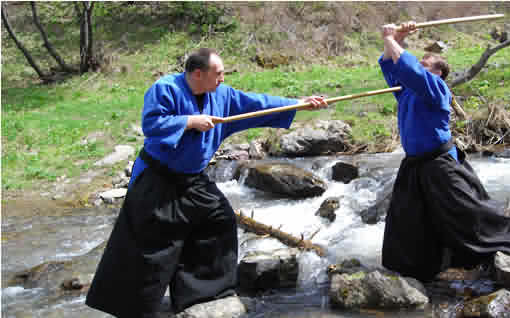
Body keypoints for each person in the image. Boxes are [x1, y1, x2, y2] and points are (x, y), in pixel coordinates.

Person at [85, 48, 328, 318]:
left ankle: (203, 295)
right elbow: (152, 125)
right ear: (198, 73)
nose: (223, 78)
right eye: (219, 73)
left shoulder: (222, 95)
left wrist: (298, 103)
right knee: (149, 245)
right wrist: (188, 121)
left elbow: (257, 104)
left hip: (194, 179)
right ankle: (131, 308)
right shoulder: (165, 88)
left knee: (218, 221)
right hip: (157, 179)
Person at [378, 22, 510, 283]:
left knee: (467, 210)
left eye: (426, 63)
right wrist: (397, 40)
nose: (420, 64)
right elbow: (392, 64)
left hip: (439, 163)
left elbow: (411, 69)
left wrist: (391, 38)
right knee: (409, 219)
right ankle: (421, 269)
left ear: (438, 72)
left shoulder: (437, 90)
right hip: (415, 165)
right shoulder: (406, 91)